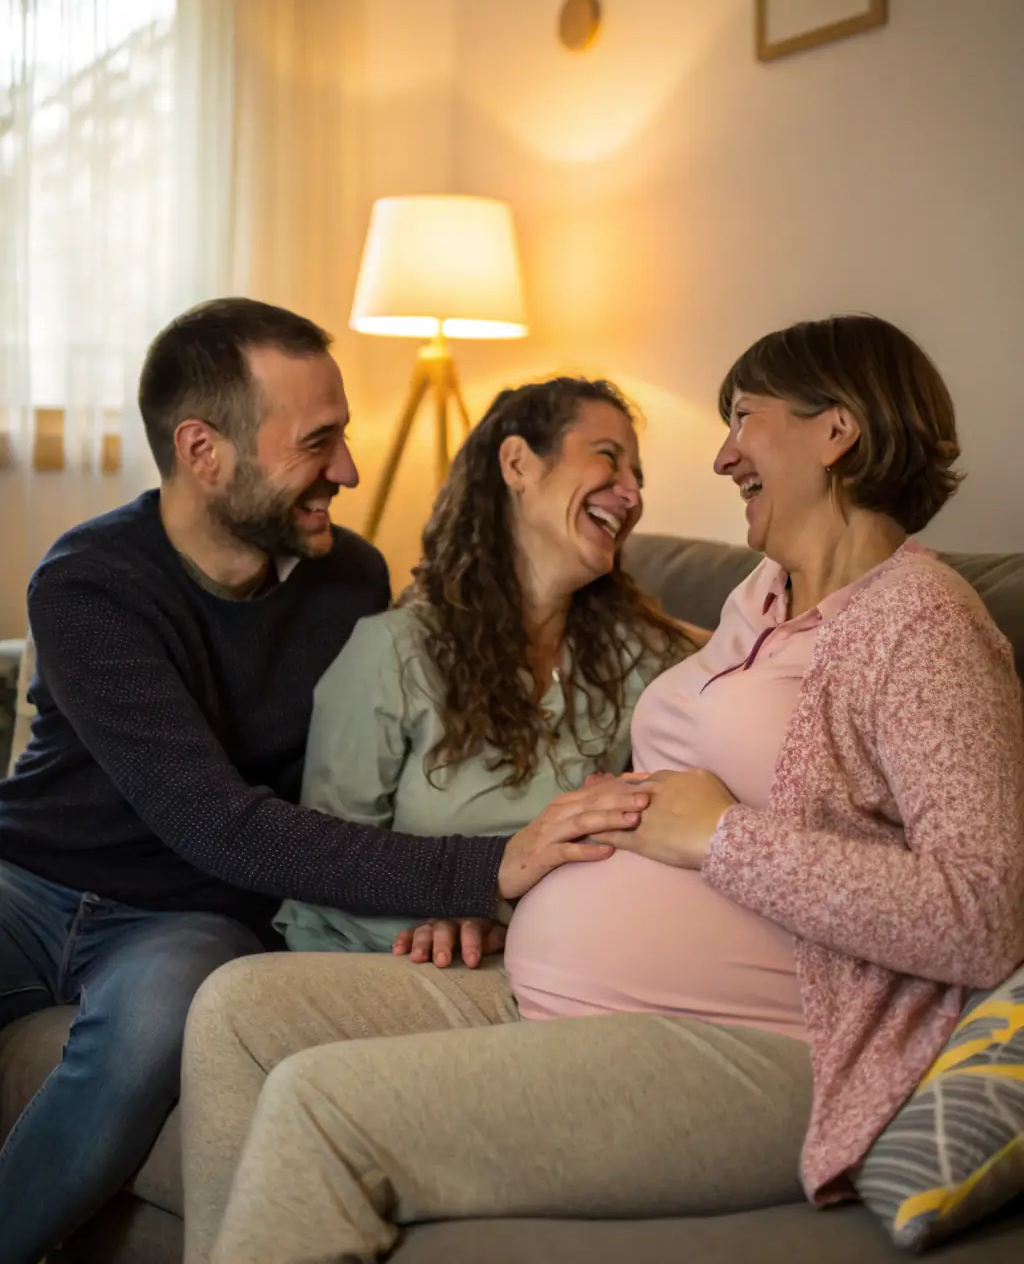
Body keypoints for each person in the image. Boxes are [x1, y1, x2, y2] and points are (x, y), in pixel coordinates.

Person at [181, 314, 1024, 1264]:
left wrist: (721, 835)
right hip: (562, 982)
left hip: (777, 1040)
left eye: (743, 416)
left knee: (319, 1106)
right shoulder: (758, 602)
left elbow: (983, 914)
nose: (720, 455)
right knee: (238, 1009)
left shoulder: (923, 624)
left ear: (838, 430)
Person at [0, 299, 647, 1264]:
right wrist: (481, 871)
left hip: (181, 922)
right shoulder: (88, 582)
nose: (346, 469)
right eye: (320, 441)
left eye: (344, 438)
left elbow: (375, 766)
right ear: (203, 450)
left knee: (163, 1015)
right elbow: (216, 821)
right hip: (30, 884)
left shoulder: (349, 577)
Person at [274, 377, 696, 957]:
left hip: (565, 958)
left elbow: (752, 671)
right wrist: (432, 922)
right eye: (609, 459)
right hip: (389, 957)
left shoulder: (641, 656)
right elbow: (324, 864)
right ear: (518, 463)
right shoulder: (394, 654)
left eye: (638, 478)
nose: (631, 493)